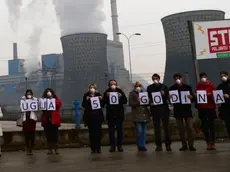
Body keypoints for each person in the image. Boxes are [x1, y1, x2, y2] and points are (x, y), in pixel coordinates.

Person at [169, 73, 196, 151]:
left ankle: (191, 145)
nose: (177, 80)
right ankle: (184, 145)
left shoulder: (188, 87)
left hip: (187, 110)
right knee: (181, 129)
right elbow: (170, 100)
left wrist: (192, 97)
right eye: (176, 78)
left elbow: (193, 99)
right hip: (178, 111)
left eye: (179, 78)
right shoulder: (172, 88)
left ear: (181, 79)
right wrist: (169, 98)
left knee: (190, 128)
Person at [147, 73, 172, 151]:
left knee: (166, 128)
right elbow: (148, 98)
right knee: (157, 128)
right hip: (155, 110)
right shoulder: (149, 88)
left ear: (159, 79)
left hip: (164, 109)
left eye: (156, 78)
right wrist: (149, 102)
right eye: (153, 78)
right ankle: (158, 145)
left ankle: (168, 145)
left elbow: (169, 97)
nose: (155, 80)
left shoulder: (164, 87)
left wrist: (164, 94)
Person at [103, 80, 127, 152]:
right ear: (109, 85)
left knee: (120, 131)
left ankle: (119, 145)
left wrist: (121, 96)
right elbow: (103, 103)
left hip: (119, 114)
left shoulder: (120, 91)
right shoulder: (106, 92)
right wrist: (106, 97)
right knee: (111, 131)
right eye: (111, 84)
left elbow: (125, 101)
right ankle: (112, 146)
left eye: (114, 84)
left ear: (116, 84)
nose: (113, 85)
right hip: (110, 114)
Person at [195, 72, 216, 150]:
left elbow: (216, 94)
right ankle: (208, 142)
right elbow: (196, 94)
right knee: (205, 126)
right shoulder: (198, 85)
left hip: (210, 107)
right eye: (202, 77)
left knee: (212, 126)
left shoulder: (211, 84)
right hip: (202, 108)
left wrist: (211, 94)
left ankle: (213, 142)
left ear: (206, 77)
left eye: (204, 77)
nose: (203, 78)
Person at [129, 81, 151, 152]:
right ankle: (139, 145)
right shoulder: (132, 93)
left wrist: (148, 100)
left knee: (144, 131)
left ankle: (143, 145)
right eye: (137, 86)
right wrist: (137, 102)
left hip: (144, 114)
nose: (138, 87)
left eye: (140, 86)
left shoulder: (144, 94)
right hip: (137, 115)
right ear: (135, 87)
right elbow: (131, 103)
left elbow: (147, 104)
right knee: (139, 131)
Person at [82, 84, 104, 153]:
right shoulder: (86, 95)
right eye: (90, 88)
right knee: (91, 133)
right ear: (88, 89)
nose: (92, 89)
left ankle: (98, 147)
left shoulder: (98, 94)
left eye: (93, 88)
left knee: (98, 133)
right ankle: (93, 148)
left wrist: (101, 99)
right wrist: (87, 99)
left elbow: (102, 105)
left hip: (97, 116)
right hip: (90, 117)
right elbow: (83, 105)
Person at [41, 88, 62, 155]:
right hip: (46, 120)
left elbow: (59, 105)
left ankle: (56, 149)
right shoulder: (43, 100)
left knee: (55, 135)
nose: (48, 93)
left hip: (54, 120)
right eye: (47, 92)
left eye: (50, 92)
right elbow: (41, 107)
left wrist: (52, 99)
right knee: (48, 136)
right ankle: (50, 149)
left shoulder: (56, 99)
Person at [22, 89, 38, 155]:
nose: (29, 95)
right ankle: (27, 148)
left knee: (32, 135)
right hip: (26, 120)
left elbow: (36, 107)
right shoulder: (23, 100)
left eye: (30, 94)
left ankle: (31, 149)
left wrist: (33, 99)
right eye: (27, 94)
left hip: (32, 120)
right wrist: (24, 100)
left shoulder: (34, 100)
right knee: (26, 136)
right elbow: (21, 108)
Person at [216, 71, 230, 140]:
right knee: (228, 126)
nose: (223, 77)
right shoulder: (220, 86)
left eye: (224, 75)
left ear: (228, 75)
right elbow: (216, 97)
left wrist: (229, 96)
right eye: (221, 76)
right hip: (225, 109)